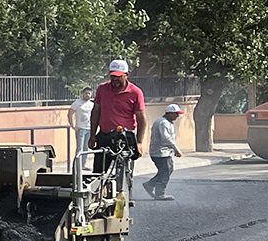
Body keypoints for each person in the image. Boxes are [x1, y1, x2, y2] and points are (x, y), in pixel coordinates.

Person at [89, 59, 147, 191]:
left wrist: (139, 142)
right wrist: (92, 135)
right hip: (105, 135)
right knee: (98, 173)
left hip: (126, 138)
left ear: (127, 75)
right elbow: (96, 112)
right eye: (112, 76)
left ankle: (124, 196)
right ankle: (97, 196)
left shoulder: (135, 92)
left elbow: (142, 119)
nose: (114, 79)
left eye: (118, 76)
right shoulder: (102, 89)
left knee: (124, 173)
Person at [147, 103, 183, 200]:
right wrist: (175, 148)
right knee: (165, 172)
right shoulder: (163, 123)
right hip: (160, 152)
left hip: (164, 152)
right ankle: (159, 194)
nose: (177, 116)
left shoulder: (167, 122)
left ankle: (150, 184)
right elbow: (166, 138)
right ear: (169, 113)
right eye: (176, 113)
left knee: (167, 170)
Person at [68, 88, 95, 156]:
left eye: (89, 93)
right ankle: (77, 166)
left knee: (86, 148)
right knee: (80, 149)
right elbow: (70, 114)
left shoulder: (92, 104)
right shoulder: (77, 103)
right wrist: (72, 125)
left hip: (89, 129)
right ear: (83, 94)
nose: (87, 95)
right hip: (81, 128)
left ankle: (83, 165)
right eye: (86, 93)